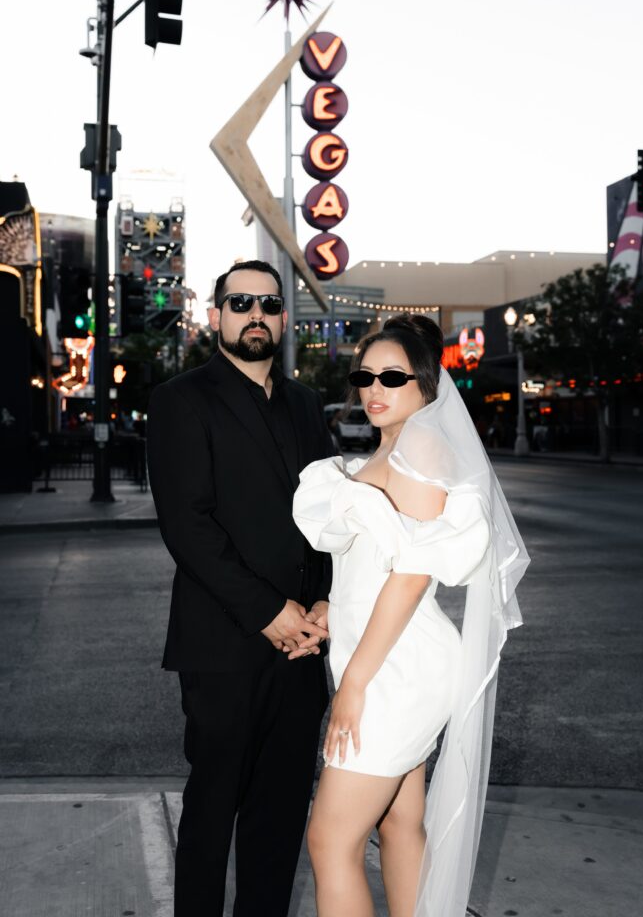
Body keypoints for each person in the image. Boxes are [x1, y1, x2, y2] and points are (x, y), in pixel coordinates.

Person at [293, 314, 529, 917]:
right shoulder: (391, 447)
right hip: (383, 656)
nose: (373, 388)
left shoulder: (422, 448)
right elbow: (376, 562)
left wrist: (354, 684)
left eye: (392, 377)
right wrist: (330, 606)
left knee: (330, 839)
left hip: (394, 670)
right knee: (399, 824)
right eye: (364, 375)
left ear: (426, 383)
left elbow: (411, 576)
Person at [147, 260, 334, 917]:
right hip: (221, 646)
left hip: (302, 649)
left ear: (283, 318)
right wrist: (267, 612)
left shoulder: (308, 403)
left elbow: (329, 516)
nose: (255, 314)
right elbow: (186, 525)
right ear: (217, 315)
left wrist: (322, 603)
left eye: (268, 304)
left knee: (279, 815)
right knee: (211, 811)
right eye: (240, 302)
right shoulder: (180, 400)